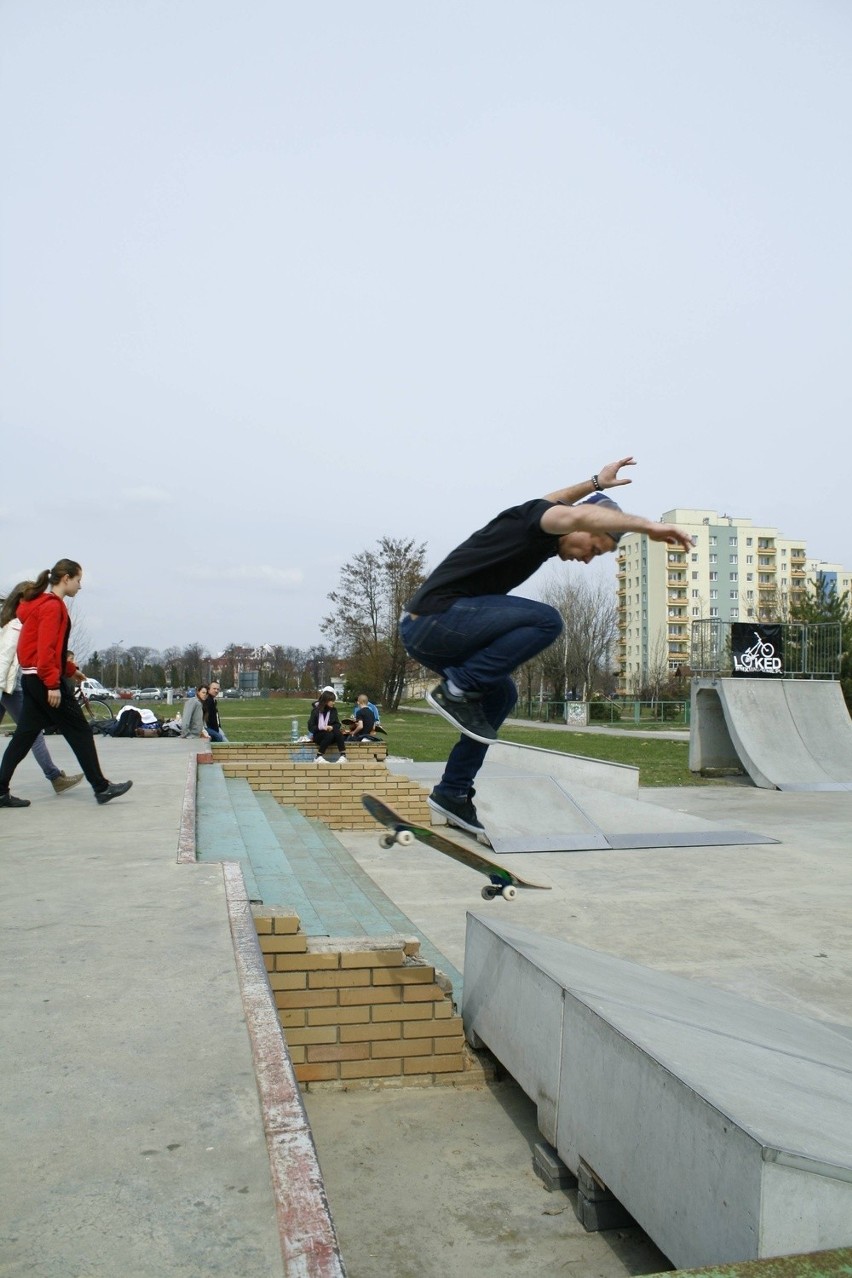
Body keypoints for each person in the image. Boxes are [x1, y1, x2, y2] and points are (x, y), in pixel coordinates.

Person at [399, 457, 693, 835]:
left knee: (502, 694)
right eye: (596, 549)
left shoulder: (537, 525)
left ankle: (453, 791)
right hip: (434, 621)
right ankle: (457, 689)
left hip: (437, 633)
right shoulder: (541, 521)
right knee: (546, 619)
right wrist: (649, 526)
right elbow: (569, 513)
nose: (588, 560)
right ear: (584, 525)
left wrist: (594, 482)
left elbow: (559, 500)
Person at [0, 560, 133, 808]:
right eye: (78, 580)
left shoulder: (39, 605)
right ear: (65, 579)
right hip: (43, 681)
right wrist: (52, 684)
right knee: (80, 731)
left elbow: (51, 650)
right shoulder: (52, 607)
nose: (80, 587)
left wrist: (71, 670)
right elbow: (47, 649)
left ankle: (0, 790)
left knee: (24, 736)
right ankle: (101, 788)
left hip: (31, 679)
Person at [0, 584, 83, 794]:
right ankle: (55, 777)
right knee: (31, 732)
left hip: (10, 686)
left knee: (28, 733)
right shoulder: (17, 625)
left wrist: (69, 669)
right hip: (9, 688)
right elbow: (4, 660)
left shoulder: (16, 622)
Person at [307, 690, 347, 763]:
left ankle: (343, 755)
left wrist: (331, 727)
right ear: (325, 701)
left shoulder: (333, 710)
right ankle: (318, 756)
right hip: (319, 736)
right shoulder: (315, 711)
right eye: (332, 701)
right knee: (329, 734)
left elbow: (337, 724)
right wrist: (322, 727)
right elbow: (311, 727)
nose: (333, 703)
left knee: (337, 732)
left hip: (331, 735)